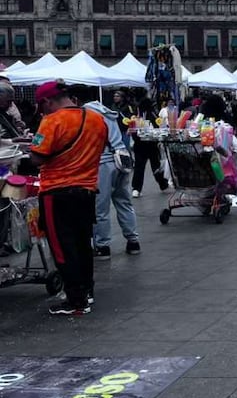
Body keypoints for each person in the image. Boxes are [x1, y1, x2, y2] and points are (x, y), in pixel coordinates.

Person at [29, 81, 108, 315]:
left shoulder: (51, 121)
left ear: (46, 101)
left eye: (41, 106)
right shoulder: (96, 119)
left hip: (57, 192)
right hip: (86, 190)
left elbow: (37, 158)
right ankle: (87, 291)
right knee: (83, 243)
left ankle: (75, 300)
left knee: (63, 247)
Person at [85, 101, 140, 259]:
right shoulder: (107, 111)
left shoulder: (87, 114)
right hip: (121, 159)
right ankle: (133, 241)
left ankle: (102, 246)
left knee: (100, 207)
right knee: (124, 202)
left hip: (103, 162)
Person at [131, 97, 170, 197]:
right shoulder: (153, 114)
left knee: (139, 167)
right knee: (156, 166)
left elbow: (133, 131)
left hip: (139, 145)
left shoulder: (136, 116)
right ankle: (163, 184)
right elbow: (160, 127)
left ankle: (136, 188)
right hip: (152, 145)